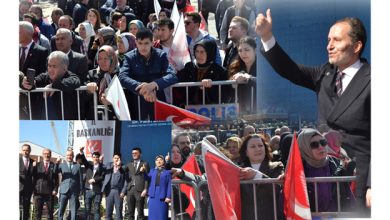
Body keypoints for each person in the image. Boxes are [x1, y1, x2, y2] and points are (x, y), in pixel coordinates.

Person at [256, 9, 370, 215]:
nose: (329, 46)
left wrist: (374, 183)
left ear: (356, 46)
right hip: (325, 174)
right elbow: (290, 70)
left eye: (336, 40)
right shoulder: (324, 74)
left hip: (359, 177)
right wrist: (266, 37)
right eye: (328, 40)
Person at [118, 28, 178, 120]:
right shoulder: (129, 57)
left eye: (146, 43)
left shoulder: (161, 55)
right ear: (136, 42)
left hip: (158, 101)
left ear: (152, 42)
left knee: (160, 131)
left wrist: (154, 85)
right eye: (140, 43)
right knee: (140, 132)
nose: (143, 47)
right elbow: (122, 77)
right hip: (137, 103)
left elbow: (172, 75)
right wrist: (143, 88)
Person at [298, 128, 356, 212]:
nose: (321, 147)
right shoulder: (299, 169)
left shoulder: (337, 163)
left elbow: (347, 193)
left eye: (323, 142)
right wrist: (286, 178)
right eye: (314, 145)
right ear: (305, 148)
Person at [21, 51, 81, 120]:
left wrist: (53, 85)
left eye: (54, 66)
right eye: (49, 66)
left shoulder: (70, 76)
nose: (50, 69)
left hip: (64, 123)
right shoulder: (45, 76)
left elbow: (75, 81)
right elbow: (36, 81)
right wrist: (27, 83)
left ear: (65, 68)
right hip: (43, 124)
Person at [238, 134, 284, 220]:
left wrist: (256, 175)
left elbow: (278, 189)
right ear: (246, 152)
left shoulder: (277, 166)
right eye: (253, 146)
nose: (258, 149)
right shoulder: (239, 171)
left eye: (260, 145)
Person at [176, 39, 228, 107]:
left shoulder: (219, 71)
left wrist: (212, 83)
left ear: (210, 53)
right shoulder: (189, 66)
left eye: (202, 52)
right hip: (189, 108)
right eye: (197, 51)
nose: (198, 55)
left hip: (211, 109)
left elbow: (225, 94)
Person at [228, 36, 257, 114]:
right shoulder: (234, 66)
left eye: (247, 50)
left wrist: (249, 78)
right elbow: (228, 89)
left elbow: (265, 84)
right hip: (241, 109)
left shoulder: (262, 66)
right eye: (240, 50)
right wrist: (233, 85)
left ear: (255, 50)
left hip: (258, 108)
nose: (243, 53)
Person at [76, 147, 105, 220]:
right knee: (87, 209)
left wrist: (94, 180)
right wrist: (81, 152)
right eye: (94, 157)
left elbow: (102, 177)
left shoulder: (102, 167)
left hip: (97, 191)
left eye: (97, 157)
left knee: (96, 209)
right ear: (92, 158)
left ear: (99, 158)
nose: (95, 158)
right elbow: (84, 160)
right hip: (88, 190)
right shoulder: (89, 164)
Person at [55, 149, 83, 220]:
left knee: (73, 210)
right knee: (61, 209)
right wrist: (57, 163)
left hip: (74, 191)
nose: (69, 156)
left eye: (70, 155)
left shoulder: (78, 166)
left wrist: (80, 190)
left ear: (73, 156)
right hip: (64, 190)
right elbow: (54, 172)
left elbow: (80, 179)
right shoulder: (61, 165)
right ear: (65, 156)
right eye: (67, 155)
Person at [32, 148, 59, 220]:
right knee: (38, 213)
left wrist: (55, 189)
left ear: (50, 155)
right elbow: (33, 178)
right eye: (45, 153)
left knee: (50, 213)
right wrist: (33, 190)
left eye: (48, 154)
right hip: (38, 192)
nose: (46, 155)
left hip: (50, 193)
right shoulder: (37, 165)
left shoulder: (54, 165)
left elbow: (56, 179)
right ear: (42, 155)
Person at [124, 147, 150, 220]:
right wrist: (119, 166)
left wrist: (145, 189)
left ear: (140, 154)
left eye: (136, 153)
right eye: (132, 153)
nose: (134, 154)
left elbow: (147, 178)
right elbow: (123, 172)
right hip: (130, 190)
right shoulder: (129, 163)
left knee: (140, 213)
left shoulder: (145, 163)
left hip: (140, 190)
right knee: (130, 213)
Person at [145, 155, 172, 220]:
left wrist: (168, 196)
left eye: (160, 160)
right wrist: (143, 172)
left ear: (164, 161)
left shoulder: (167, 172)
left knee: (161, 215)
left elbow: (169, 184)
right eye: (157, 160)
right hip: (153, 195)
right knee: (152, 216)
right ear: (155, 162)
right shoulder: (152, 171)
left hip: (162, 196)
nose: (158, 161)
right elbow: (147, 178)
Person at [102, 153, 127, 220]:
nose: (116, 159)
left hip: (118, 192)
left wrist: (123, 192)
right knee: (108, 212)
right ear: (113, 159)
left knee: (118, 212)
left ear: (120, 159)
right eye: (115, 158)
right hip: (109, 191)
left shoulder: (124, 167)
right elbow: (101, 169)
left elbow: (126, 181)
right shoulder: (108, 165)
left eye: (117, 158)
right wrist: (101, 161)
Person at [19, 144, 34, 220]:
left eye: (27, 150)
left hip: (28, 188)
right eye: (24, 150)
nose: (25, 152)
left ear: (30, 151)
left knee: (26, 207)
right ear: (22, 151)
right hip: (18, 187)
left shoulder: (33, 162)